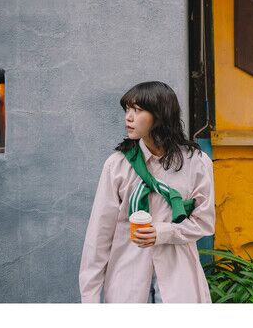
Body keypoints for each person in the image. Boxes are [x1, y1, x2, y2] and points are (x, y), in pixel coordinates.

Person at [78, 81, 215, 303]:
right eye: (127, 109)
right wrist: (90, 297)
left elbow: (205, 222)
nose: (128, 117)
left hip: (178, 281)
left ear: (160, 115)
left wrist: (163, 232)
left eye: (138, 110)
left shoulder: (196, 163)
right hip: (127, 281)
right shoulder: (118, 165)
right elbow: (99, 235)